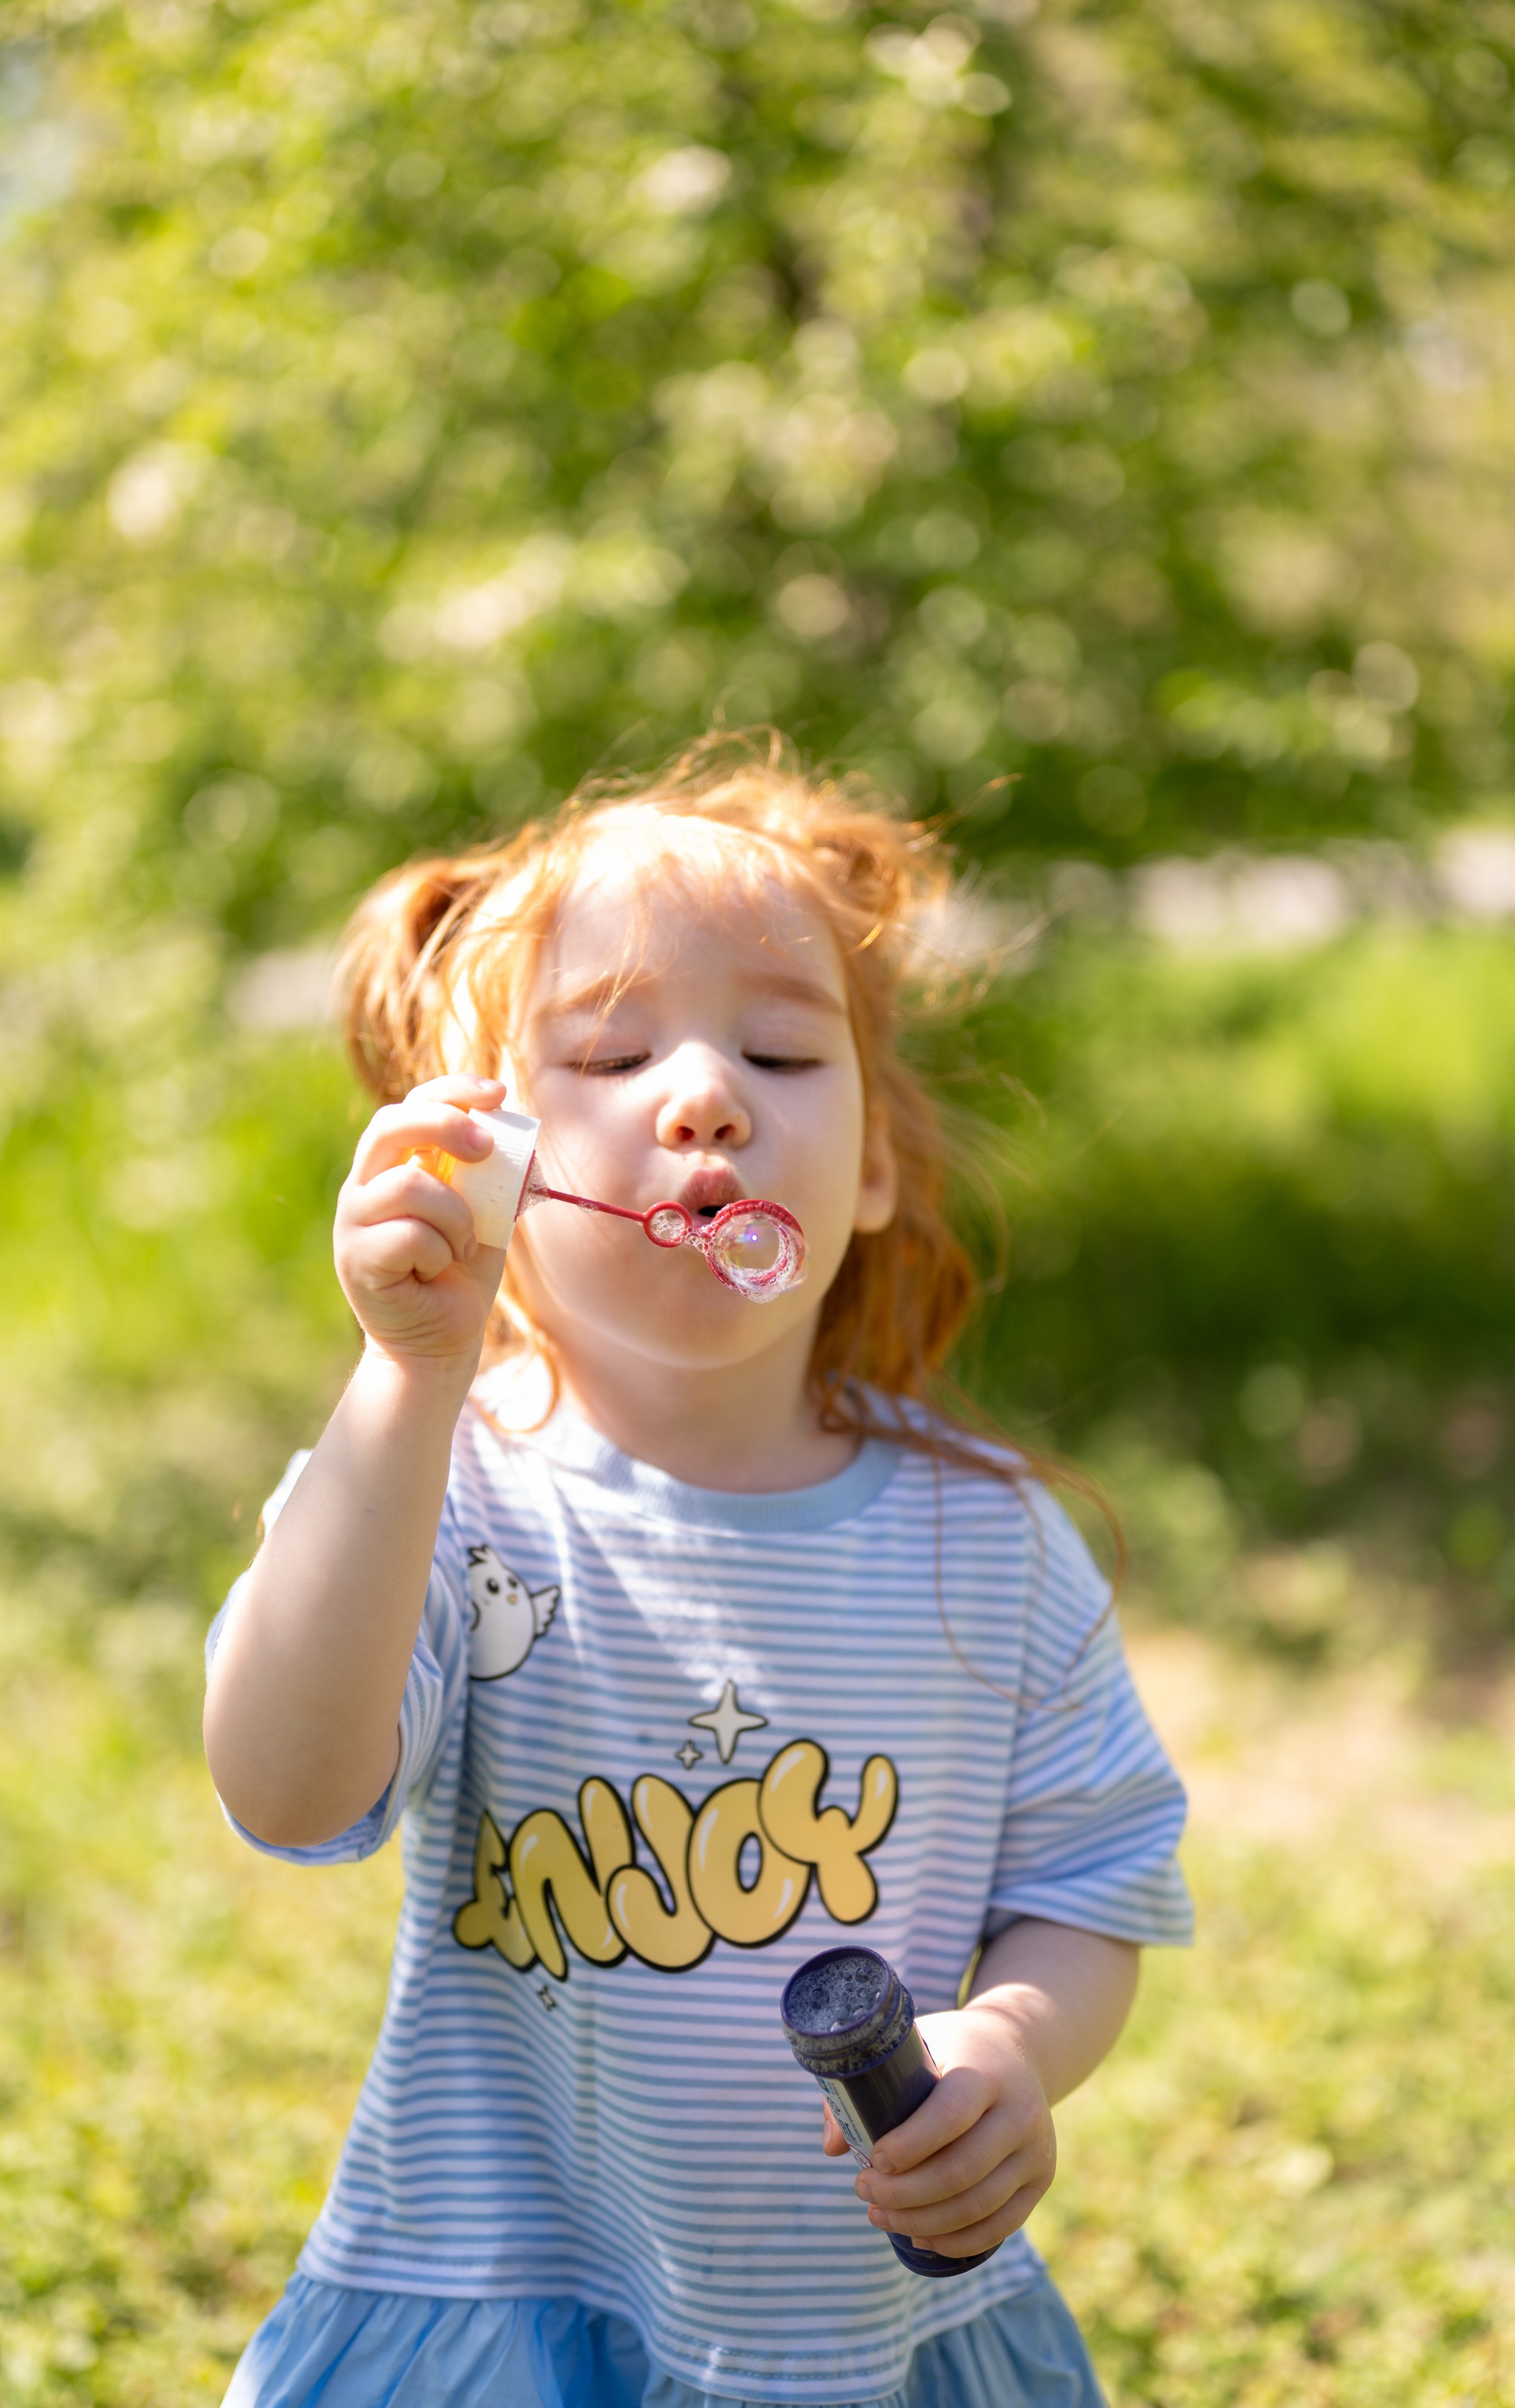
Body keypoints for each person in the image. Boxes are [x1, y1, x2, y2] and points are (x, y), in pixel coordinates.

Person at [205, 738, 1192, 2408]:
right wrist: (406, 1379)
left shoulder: (986, 1542)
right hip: (508, 2303)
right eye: (611, 1051)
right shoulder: (441, 1490)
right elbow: (285, 1789)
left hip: (870, 2334)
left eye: (782, 1051)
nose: (708, 1096)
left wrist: (1013, 2044)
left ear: (869, 1168)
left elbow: (1089, 1888)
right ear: (493, 1163)